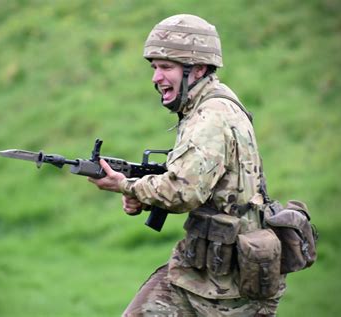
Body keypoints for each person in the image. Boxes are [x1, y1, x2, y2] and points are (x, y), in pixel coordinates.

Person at [88, 14, 286, 316]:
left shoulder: (209, 118)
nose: (156, 77)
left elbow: (183, 192)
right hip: (206, 272)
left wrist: (125, 185)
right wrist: (141, 194)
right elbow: (207, 185)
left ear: (199, 69)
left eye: (166, 67)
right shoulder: (218, 101)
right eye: (155, 67)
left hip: (225, 287)